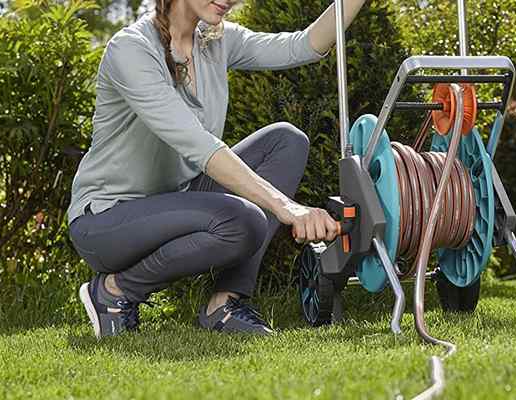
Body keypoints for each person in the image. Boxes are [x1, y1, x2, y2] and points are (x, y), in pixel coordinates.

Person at [67, 0, 367, 339]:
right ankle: (115, 291)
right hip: (107, 221)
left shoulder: (215, 41)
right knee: (243, 219)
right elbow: (201, 146)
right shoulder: (132, 50)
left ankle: (224, 304)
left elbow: (305, 44)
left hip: (177, 202)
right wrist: (288, 208)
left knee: (286, 141)